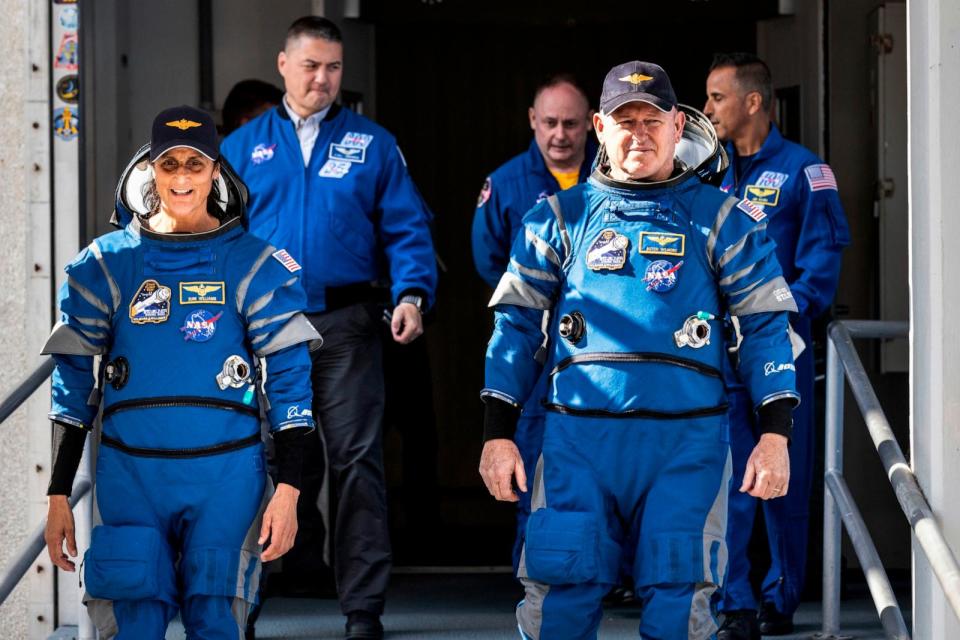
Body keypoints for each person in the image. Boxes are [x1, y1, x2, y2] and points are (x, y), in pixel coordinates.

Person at [478, 60, 801, 639]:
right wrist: (497, 434)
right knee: (560, 600)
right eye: (625, 122)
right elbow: (516, 330)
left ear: (679, 126)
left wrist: (775, 435)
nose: (639, 134)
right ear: (599, 128)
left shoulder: (723, 220)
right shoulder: (556, 219)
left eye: (652, 121)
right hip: (578, 441)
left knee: (681, 603)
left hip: (689, 444)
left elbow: (765, 330)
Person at [42, 105, 319, 638]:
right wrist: (58, 496)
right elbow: (72, 386)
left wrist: (289, 493)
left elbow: (291, 390)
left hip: (227, 479)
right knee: (131, 622)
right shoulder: (105, 264)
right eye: (170, 165)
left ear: (216, 169)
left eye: (196, 164)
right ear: (150, 169)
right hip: (130, 478)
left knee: (217, 620)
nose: (183, 178)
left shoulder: (256, 265)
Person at [221, 16, 437, 640]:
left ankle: (363, 609)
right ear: (283, 64)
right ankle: (242, 605)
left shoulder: (373, 144)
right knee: (256, 462)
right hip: (266, 326)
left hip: (347, 322)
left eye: (334, 67)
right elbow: (217, 238)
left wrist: (412, 295)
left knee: (356, 460)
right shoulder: (241, 148)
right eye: (311, 65)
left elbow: (406, 228)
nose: (323, 78)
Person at [703, 52, 851, 640]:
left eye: (716, 97)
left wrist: (779, 317)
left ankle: (780, 599)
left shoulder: (804, 171)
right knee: (725, 481)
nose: (707, 109)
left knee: (781, 485)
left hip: (780, 354)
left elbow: (821, 264)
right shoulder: (706, 176)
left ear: (753, 101)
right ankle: (734, 603)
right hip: (716, 356)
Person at [471, 73, 595, 573]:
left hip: (602, 344)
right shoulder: (504, 184)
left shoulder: (620, 180)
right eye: (549, 123)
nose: (559, 134)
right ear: (532, 121)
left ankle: (614, 572)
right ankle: (537, 571)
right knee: (533, 453)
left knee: (604, 455)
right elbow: (488, 260)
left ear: (591, 124)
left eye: (570, 123)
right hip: (537, 343)